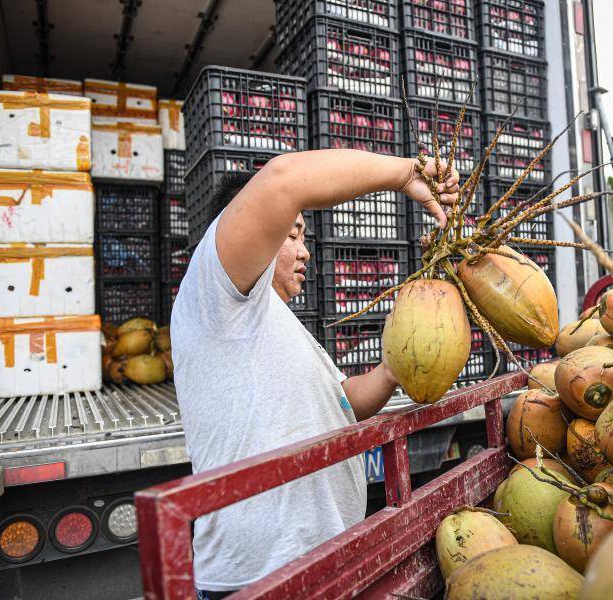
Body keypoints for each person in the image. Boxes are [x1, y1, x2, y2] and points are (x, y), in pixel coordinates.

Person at [171, 149, 460, 598]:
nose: (305, 251)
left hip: (323, 564)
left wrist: (392, 368)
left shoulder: (277, 323)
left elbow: (342, 403)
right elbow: (284, 178)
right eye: (292, 234)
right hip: (264, 579)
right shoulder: (216, 291)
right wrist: (406, 173)